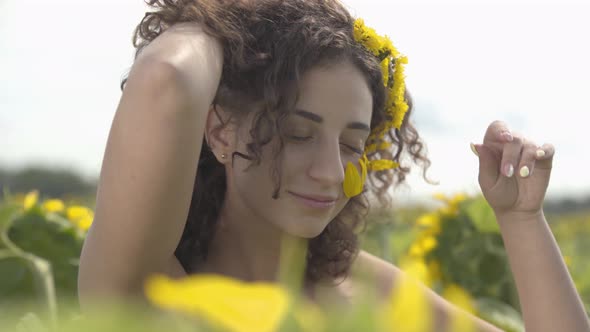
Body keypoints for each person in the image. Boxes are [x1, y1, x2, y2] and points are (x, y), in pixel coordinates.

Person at [77, 0, 590, 331]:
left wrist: (522, 219)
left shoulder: (363, 290)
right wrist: (227, 25)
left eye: (351, 145)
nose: (329, 170)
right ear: (219, 130)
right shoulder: (157, 291)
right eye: (298, 134)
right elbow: (166, 77)